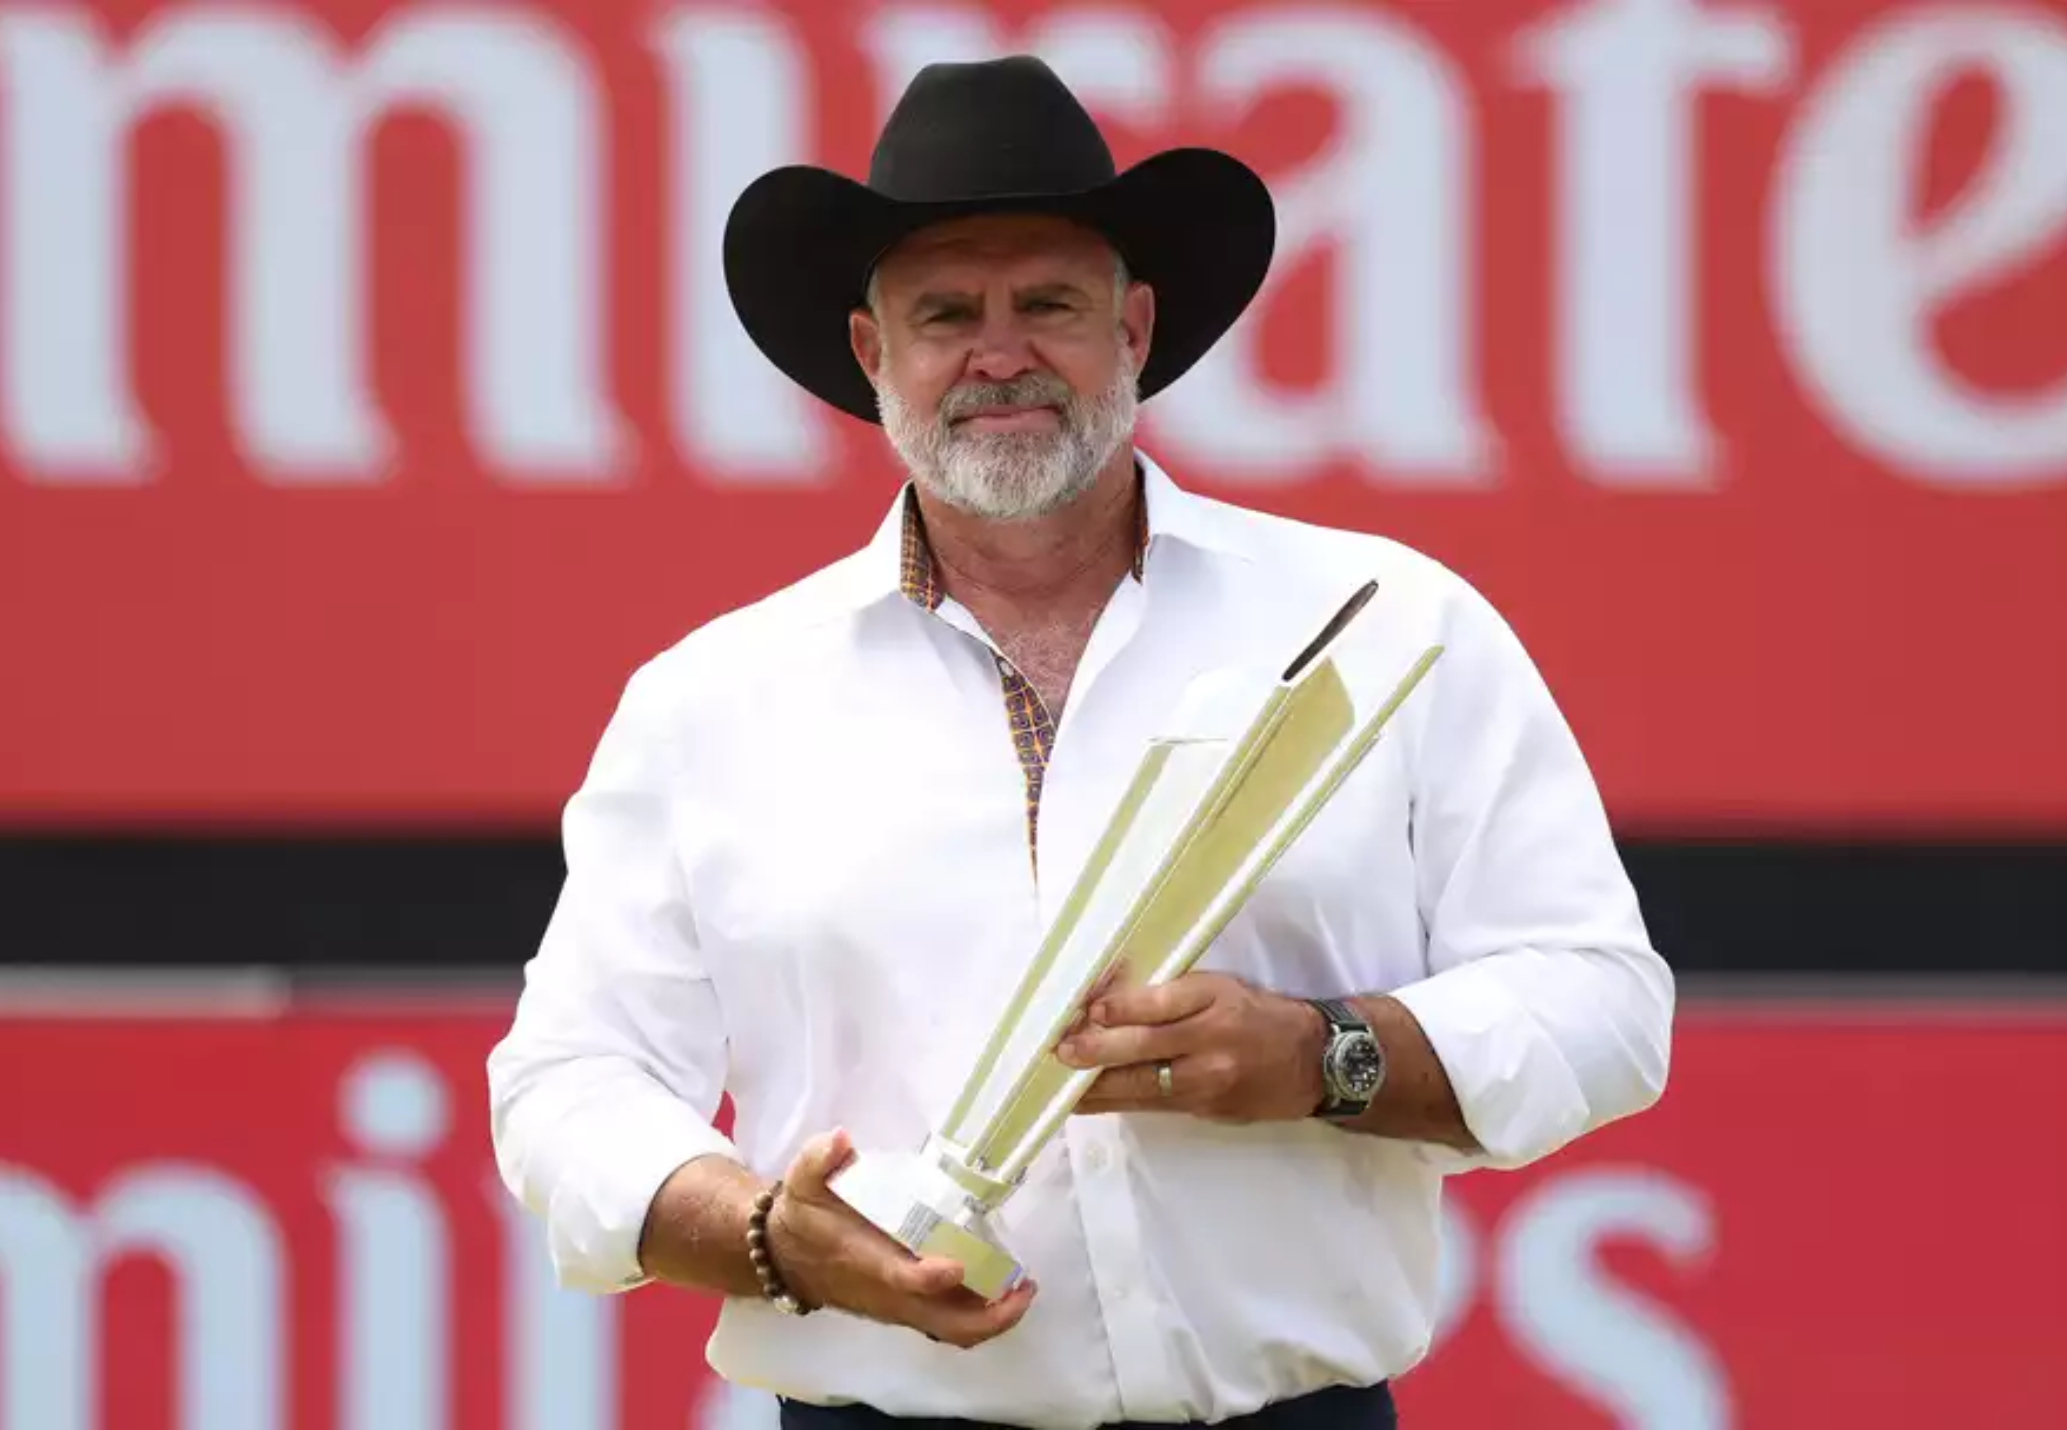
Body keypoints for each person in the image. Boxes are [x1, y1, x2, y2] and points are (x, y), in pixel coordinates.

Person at [488, 55, 1673, 1430]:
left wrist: (1324, 1053)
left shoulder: (1385, 624)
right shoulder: (715, 700)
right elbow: (569, 1080)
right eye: (946, 313)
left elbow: (1601, 999)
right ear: (875, 354)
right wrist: (768, 1235)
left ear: (1135, 330)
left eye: (1048, 301)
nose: (1000, 355)